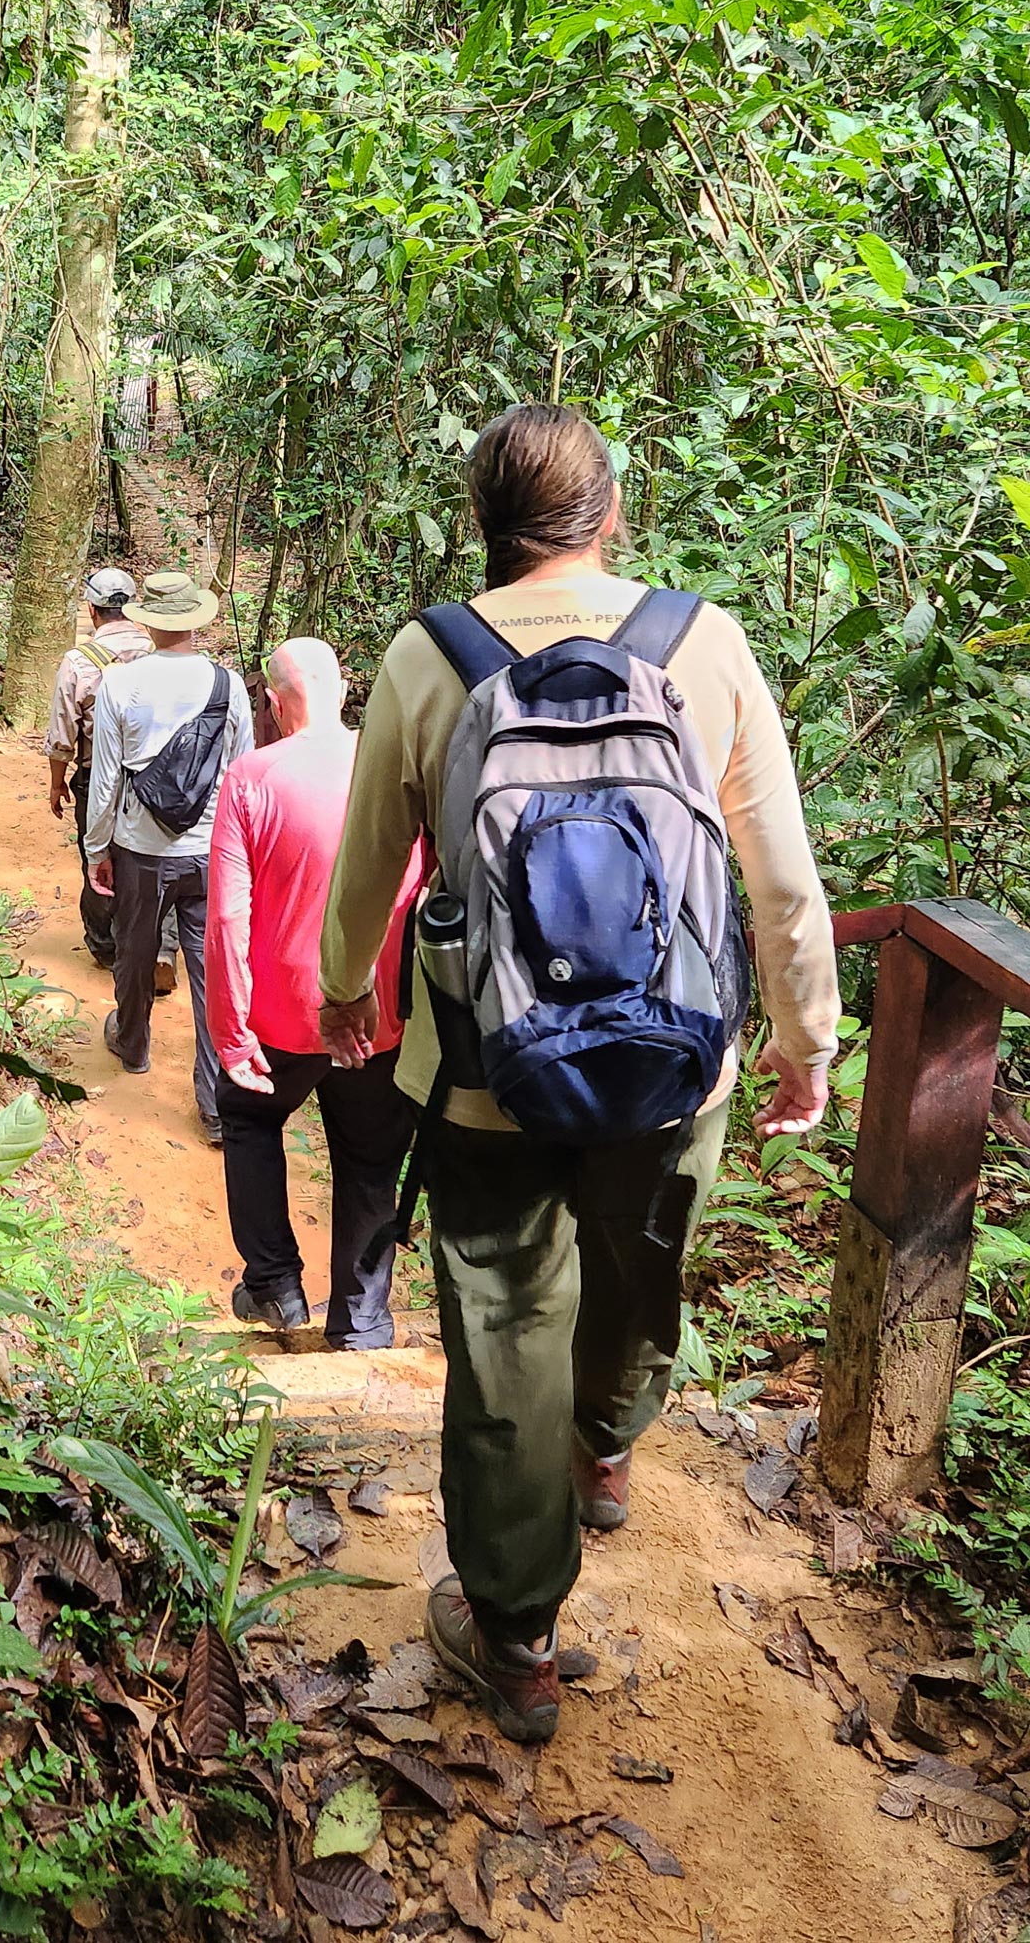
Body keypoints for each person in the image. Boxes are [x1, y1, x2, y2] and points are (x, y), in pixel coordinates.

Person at [319, 404, 837, 1746]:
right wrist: (804, 1037)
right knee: (638, 1263)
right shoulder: (702, 641)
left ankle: (520, 1638)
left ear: (483, 530)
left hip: (487, 1069)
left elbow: (370, 861)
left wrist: (341, 992)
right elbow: (776, 876)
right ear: (613, 513)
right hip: (672, 1066)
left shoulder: (432, 655)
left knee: (501, 1331)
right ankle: (609, 1442)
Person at [207, 639, 425, 1347]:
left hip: (283, 1014)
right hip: (379, 1012)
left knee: (247, 1118)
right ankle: (361, 1324)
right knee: (368, 1162)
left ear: (272, 703)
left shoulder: (251, 778)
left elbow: (227, 917)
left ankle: (275, 1286)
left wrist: (231, 1033)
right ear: (345, 690)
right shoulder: (392, 768)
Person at [85, 568, 254, 1145]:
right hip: (212, 853)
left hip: (141, 851)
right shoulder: (229, 686)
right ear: (194, 620)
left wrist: (96, 849)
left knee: (133, 953)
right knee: (213, 977)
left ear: (145, 621)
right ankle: (214, 1106)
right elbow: (241, 774)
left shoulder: (120, 685)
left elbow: (105, 778)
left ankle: (132, 1044)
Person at [45, 568, 159, 972]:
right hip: (153, 776)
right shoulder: (158, 652)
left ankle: (104, 945)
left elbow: (63, 730)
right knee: (149, 856)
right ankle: (154, 944)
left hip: (95, 775)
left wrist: (57, 784)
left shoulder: (80, 660)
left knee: (97, 854)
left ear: (91, 610)